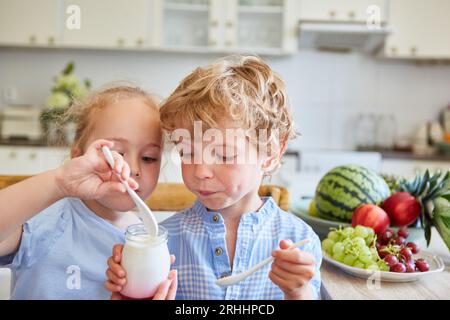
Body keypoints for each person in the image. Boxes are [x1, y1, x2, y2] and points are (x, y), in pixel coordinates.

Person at [105, 56, 322, 300]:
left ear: (270, 153)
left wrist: (298, 292)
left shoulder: (300, 241)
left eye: (223, 154)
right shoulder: (162, 242)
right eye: (187, 153)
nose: (200, 171)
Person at [0, 85, 177, 299]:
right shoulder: (49, 220)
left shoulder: (147, 239)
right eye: (117, 154)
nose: (134, 168)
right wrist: (60, 181)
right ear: (78, 156)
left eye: (148, 157)